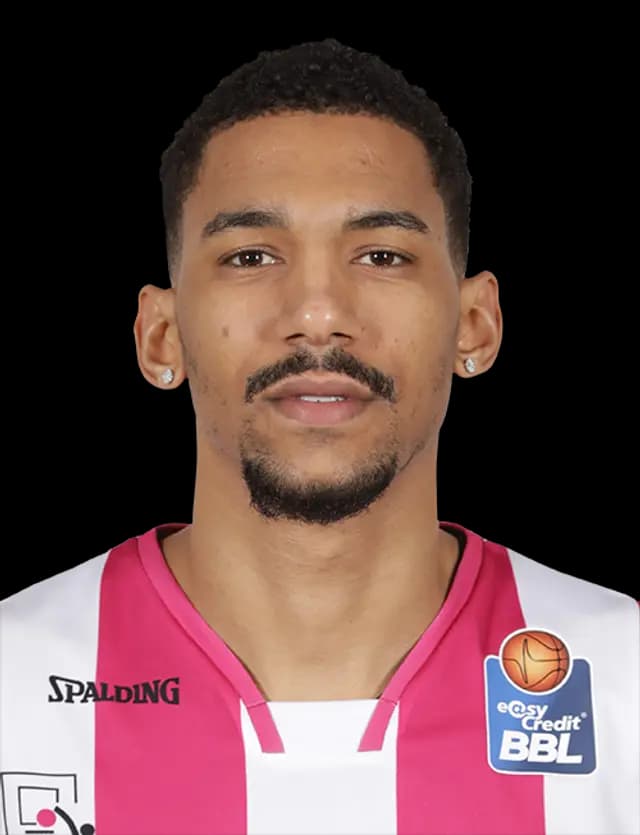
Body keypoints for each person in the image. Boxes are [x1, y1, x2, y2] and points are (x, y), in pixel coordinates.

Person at [0, 38, 637, 835]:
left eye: (381, 254)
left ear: (474, 324)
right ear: (161, 335)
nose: (317, 313)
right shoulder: (11, 680)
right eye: (251, 255)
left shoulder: (625, 677)